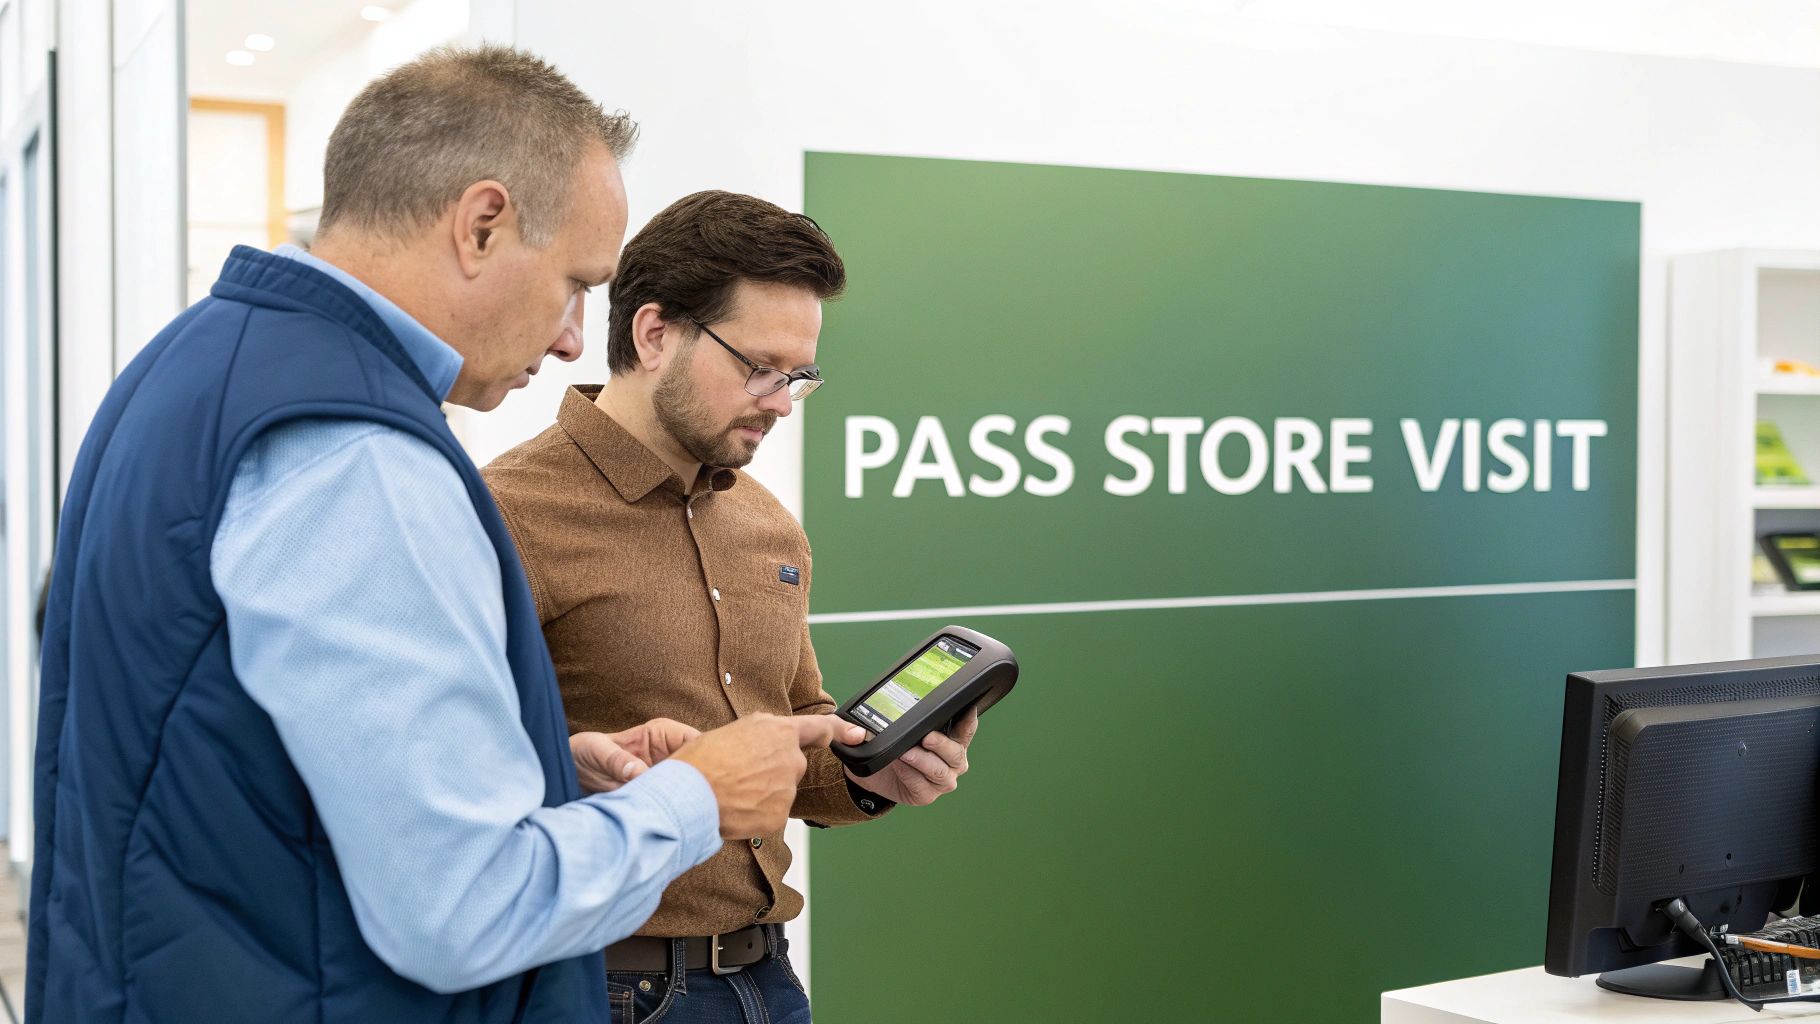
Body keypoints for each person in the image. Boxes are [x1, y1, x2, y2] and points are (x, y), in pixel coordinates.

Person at [27, 47, 839, 1024]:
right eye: (574, 283)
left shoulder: (194, 368)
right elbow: (464, 909)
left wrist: (550, 761)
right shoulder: (358, 456)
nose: (575, 337)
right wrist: (694, 800)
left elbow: (249, 756)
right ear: (482, 224)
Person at [484, 190, 981, 1024]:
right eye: (760, 369)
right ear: (653, 334)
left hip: (767, 981)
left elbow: (794, 730)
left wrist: (872, 778)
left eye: (799, 376)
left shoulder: (768, 527)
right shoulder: (503, 514)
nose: (782, 403)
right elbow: (443, 781)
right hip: (596, 986)